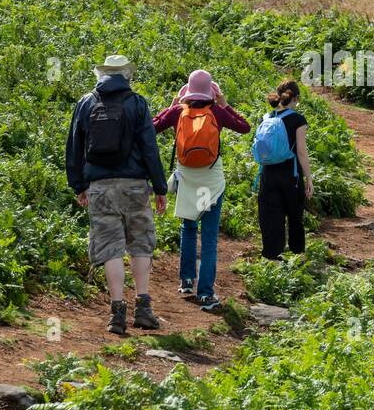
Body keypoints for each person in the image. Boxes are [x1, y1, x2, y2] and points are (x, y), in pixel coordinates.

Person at [65, 54, 168, 334]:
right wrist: (160, 187)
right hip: (134, 185)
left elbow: (73, 147)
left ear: (101, 74)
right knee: (140, 243)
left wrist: (79, 185)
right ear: (126, 75)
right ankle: (143, 307)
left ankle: (117, 313)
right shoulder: (137, 103)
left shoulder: (86, 103)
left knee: (110, 246)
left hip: (99, 186)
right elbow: (149, 148)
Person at [153, 69, 250, 312]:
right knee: (208, 239)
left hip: (187, 180)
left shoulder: (178, 112)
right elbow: (245, 127)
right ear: (211, 92)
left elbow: (150, 127)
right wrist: (225, 105)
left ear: (188, 91)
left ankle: (186, 281)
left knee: (188, 228)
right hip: (211, 183)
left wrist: (171, 106)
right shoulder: (216, 112)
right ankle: (205, 294)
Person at [254, 79, 313, 259]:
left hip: (268, 173)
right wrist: (309, 178)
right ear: (295, 98)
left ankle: (271, 256)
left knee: (271, 215)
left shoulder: (267, 117)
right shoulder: (297, 120)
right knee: (295, 215)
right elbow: (301, 152)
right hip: (290, 173)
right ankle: (297, 255)